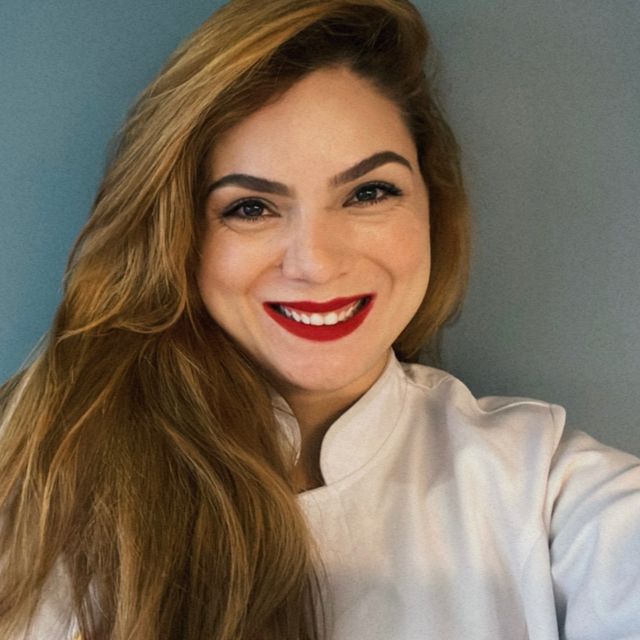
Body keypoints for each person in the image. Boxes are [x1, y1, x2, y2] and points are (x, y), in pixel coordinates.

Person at [1, 0, 638, 638]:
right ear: (179, 236)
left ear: (432, 207)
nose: (316, 263)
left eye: (368, 193)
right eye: (251, 207)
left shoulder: (544, 489)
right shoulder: (33, 469)